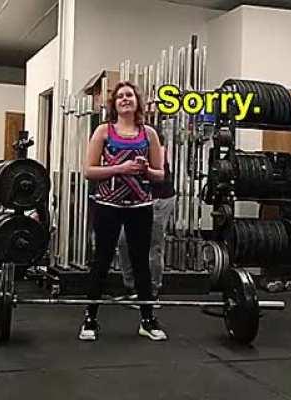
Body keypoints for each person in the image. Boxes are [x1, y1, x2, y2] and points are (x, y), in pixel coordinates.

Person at [79, 80, 168, 341]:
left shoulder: (149, 133)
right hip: (108, 206)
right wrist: (120, 168)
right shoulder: (103, 132)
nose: (125, 99)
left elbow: (160, 174)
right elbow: (89, 171)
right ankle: (90, 319)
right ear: (114, 104)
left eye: (129, 95)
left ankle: (148, 320)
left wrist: (144, 171)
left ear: (137, 102)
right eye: (120, 97)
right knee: (102, 260)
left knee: (141, 263)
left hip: (140, 206)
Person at [117, 122, 175, 307]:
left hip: (159, 199)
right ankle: (132, 288)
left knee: (152, 246)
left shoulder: (159, 150)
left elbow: (157, 175)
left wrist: (143, 169)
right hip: (138, 200)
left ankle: (152, 292)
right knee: (123, 242)